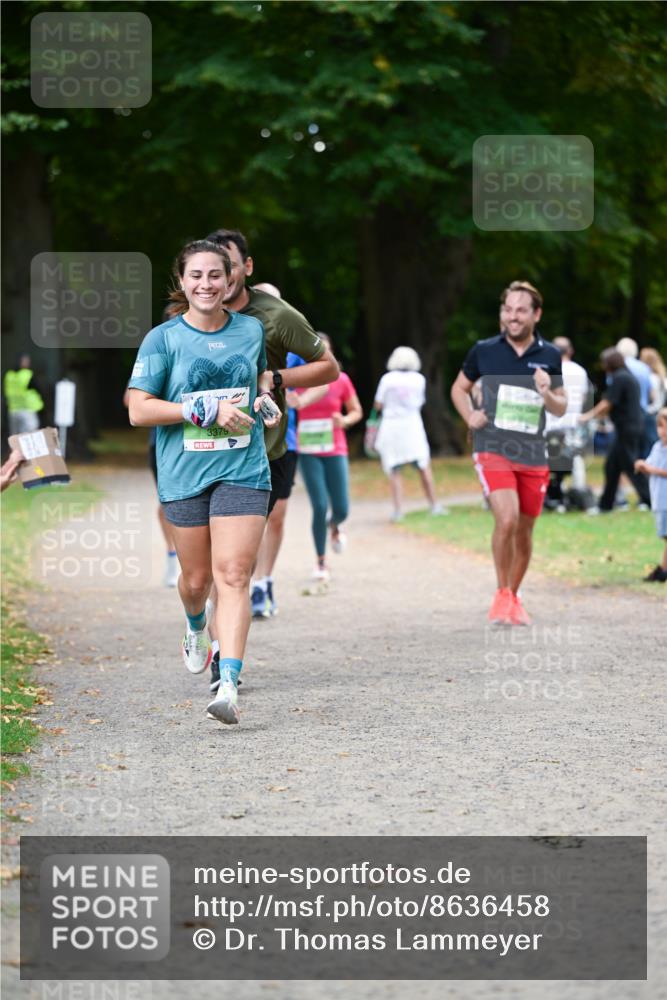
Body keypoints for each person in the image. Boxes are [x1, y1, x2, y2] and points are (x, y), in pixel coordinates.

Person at [127, 238, 280, 725]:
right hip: (185, 472)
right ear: (182, 282)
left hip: (243, 468)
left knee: (234, 575)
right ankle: (196, 624)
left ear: (231, 279)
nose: (206, 284)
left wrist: (263, 399)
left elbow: (257, 377)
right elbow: (137, 410)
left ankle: (228, 682)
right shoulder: (164, 339)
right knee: (196, 582)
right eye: (196, 276)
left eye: (215, 275)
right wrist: (199, 408)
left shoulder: (252, 329)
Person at [201, 231, 339, 686]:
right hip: (203, 452)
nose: (219, 279)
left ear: (247, 268)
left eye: (229, 267)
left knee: (233, 566)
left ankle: (224, 658)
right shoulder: (193, 311)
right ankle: (200, 624)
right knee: (203, 571)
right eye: (211, 270)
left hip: (263, 451)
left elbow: (328, 368)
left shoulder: (276, 315)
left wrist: (276, 377)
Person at [450, 280, 566, 626]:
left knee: (525, 529)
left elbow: (561, 408)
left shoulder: (549, 355)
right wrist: (470, 415)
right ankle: (501, 593)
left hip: (533, 452)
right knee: (507, 518)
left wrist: (547, 393)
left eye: (520, 310)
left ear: (536, 314)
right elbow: (459, 388)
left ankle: (514, 595)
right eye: (507, 309)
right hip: (492, 446)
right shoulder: (484, 350)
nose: (512, 317)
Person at [287, 334, 363, 580]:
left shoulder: (341, 380)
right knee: (319, 506)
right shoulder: (298, 381)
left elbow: (356, 411)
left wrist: (345, 420)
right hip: (308, 450)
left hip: (335, 448)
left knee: (341, 508)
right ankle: (321, 562)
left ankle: (335, 525)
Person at [372, 346, 445, 522]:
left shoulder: (387, 379)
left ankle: (398, 510)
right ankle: (434, 504)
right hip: (413, 425)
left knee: (394, 468)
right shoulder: (419, 379)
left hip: (392, 426)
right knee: (423, 465)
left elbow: (378, 404)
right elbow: (420, 402)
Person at [579, 348, 651, 512]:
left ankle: (652, 499)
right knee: (612, 466)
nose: (603, 366)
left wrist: (587, 416)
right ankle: (606, 505)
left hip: (627, 428)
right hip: (628, 427)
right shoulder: (626, 376)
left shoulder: (620, 378)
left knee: (631, 466)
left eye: (605, 362)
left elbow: (607, 403)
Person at [123, 386, 179, 587]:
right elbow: (130, 401)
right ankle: (173, 557)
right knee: (167, 501)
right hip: (163, 442)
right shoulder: (153, 357)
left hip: (201, 442)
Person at [544, 336, 590, 510]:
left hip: (551, 423)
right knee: (575, 459)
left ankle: (552, 495)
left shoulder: (548, 370)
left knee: (549, 463)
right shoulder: (580, 371)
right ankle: (578, 492)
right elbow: (584, 396)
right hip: (572, 424)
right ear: (570, 351)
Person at [635, 407, 667, 582]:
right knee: (664, 535)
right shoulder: (657, 447)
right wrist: (642, 465)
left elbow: (656, 469)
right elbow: (650, 465)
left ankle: (663, 570)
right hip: (659, 499)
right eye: (661, 426)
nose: (663, 431)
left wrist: (651, 469)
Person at [616, 338, 653, 455]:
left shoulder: (618, 367)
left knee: (624, 449)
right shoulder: (644, 368)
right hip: (642, 411)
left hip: (624, 413)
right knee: (640, 447)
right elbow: (650, 393)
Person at [3, 354, 44, 435]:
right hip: (27, 410)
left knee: (15, 438)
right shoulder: (27, 374)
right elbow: (38, 388)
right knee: (31, 435)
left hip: (13, 410)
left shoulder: (9, 375)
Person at [640, 347, 667, 449]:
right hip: (659, 414)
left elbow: (652, 398)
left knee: (648, 446)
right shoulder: (663, 378)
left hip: (649, 414)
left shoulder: (649, 378)